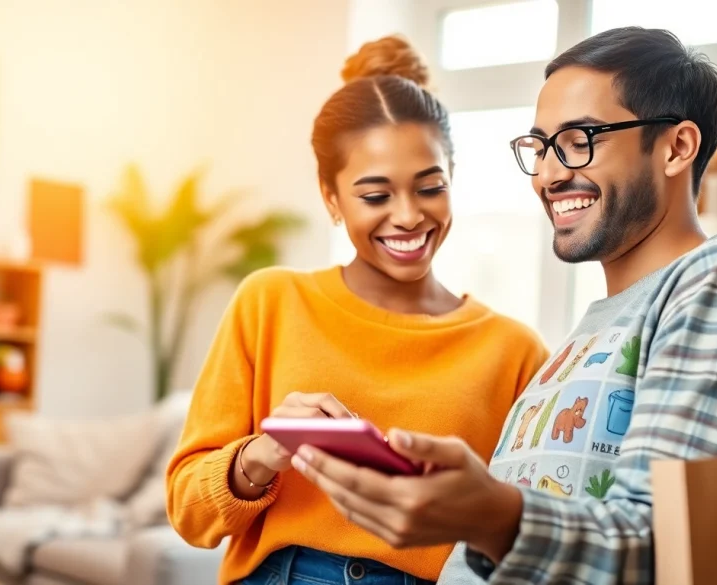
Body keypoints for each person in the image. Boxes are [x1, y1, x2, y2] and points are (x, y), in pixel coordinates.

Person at [290, 27, 717, 584]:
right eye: (541, 147)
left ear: (677, 147)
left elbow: (679, 546)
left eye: (579, 140)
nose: (548, 174)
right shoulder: (588, 335)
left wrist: (494, 514)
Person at [165, 35, 548, 585]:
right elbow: (189, 513)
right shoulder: (270, 301)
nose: (409, 216)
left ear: (452, 178)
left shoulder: (515, 351)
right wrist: (262, 454)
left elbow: (525, 537)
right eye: (375, 196)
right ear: (331, 198)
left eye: (430, 187)